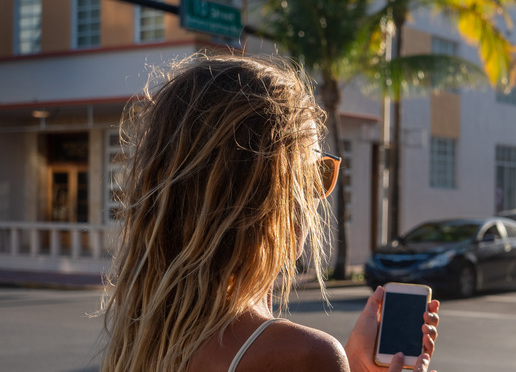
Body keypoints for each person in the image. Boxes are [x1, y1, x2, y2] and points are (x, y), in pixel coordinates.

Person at [101, 54, 440, 372]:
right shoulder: (305, 355)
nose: (315, 198)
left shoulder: (141, 338)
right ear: (272, 199)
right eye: (313, 174)